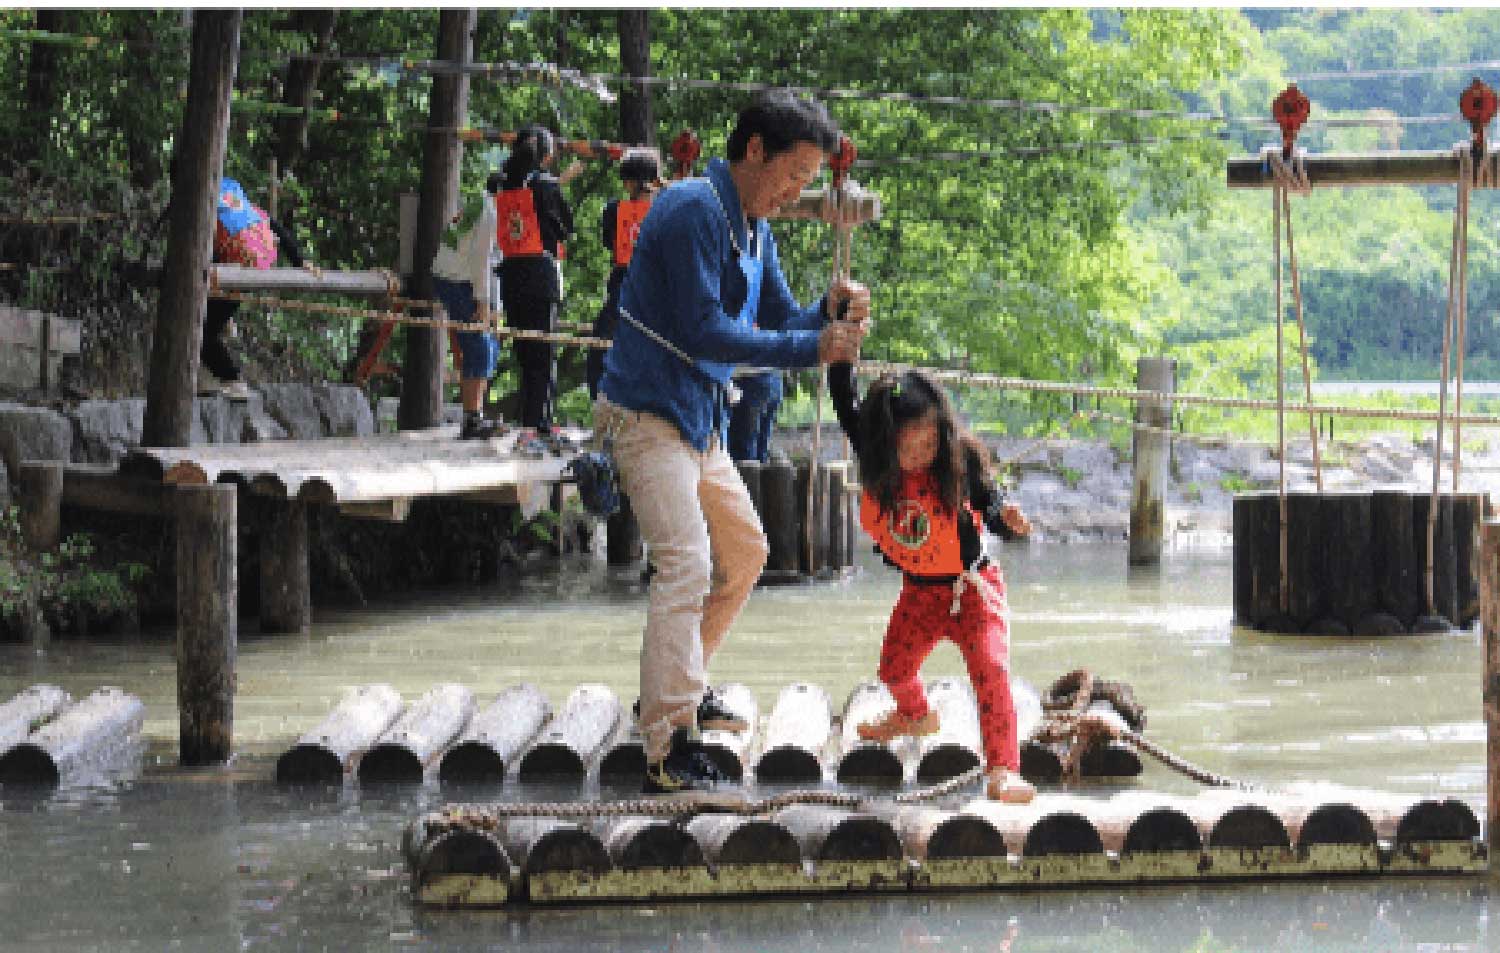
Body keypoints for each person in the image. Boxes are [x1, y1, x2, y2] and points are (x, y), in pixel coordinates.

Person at [595, 92, 870, 794]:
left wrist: (828, 312)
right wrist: (815, 345)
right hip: (646, 415)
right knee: (685, 564)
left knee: (745, 552)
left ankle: (678, 682)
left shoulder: (755, 227)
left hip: (699, 418)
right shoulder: (690, 210)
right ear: (755, 151)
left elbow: (782, 316)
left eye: (809, 178)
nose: (798, 190)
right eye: (795, 173)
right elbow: (705, 331)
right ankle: (668, 740)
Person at [828, 361, 1036, 803]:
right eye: (911, 445)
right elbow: (846, 404)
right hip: (921, 593)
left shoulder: (959, 461)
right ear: (887, 443)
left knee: (992, 671)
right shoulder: (876, 462)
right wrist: (842, 350)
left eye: (929, 441)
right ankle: (915, 714)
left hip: (972, 589)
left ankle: (1003, 769)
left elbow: (990, 503)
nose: (923, 453)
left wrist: (1006, 520)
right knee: (893, 669)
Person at [203, 177, 317, 401]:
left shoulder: (200, 205)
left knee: (200, 330)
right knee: (210, 319)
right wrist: (299, 260)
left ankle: (232, 379)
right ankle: (222, 332)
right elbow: (275, 226)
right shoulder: (237, 202)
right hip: (256, 263)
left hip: (235, 270)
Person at [496, 125, 577, 430]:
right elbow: (565, 228)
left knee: (525, 354)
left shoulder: (502, 184)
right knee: (543, 356)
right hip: (540, 275)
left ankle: (527, 422)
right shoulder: (545, 185)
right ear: (545, 154)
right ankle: (537, 423)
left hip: (511, 275)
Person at [587, 147, 662, 400]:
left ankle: (600, 397)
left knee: (602, 340)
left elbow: (610, 242)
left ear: (630, 182)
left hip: (624, 280)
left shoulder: (613, 210)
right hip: (657, 286)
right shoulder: (666, 208)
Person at [432, 174, 500, 439]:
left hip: (456, 277)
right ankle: (472, 418)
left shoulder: (478, 203)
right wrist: (483, 302)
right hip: (456, 280)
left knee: (487, 346)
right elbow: (480, 260)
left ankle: (476, 415)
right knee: (479, 345)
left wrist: (493, 303)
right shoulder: (490, 212)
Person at [726, 369, 783, 462]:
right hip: (774, 378)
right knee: (762, 445)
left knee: (743, 449)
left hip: (750, 379)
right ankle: (759, 471)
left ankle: (747, 473)